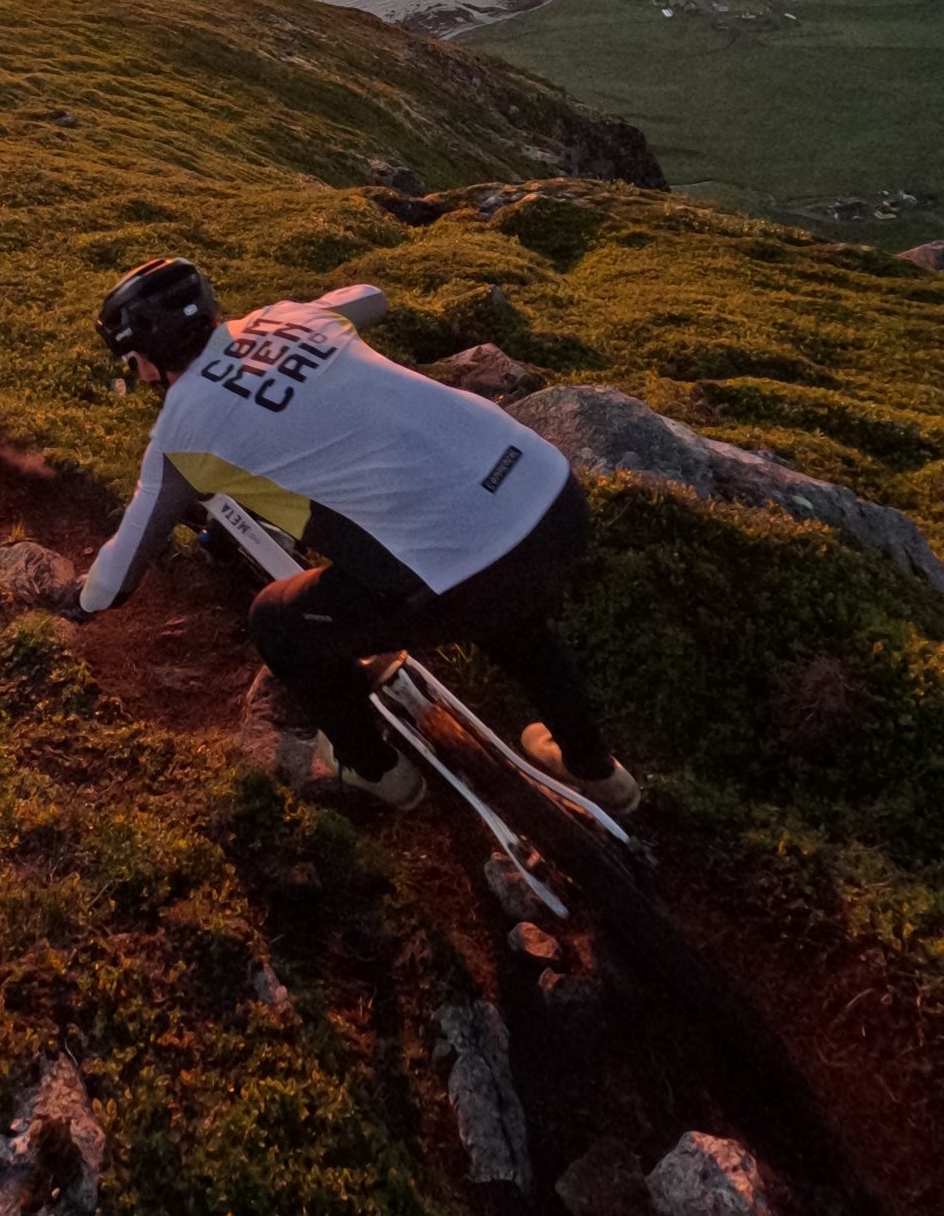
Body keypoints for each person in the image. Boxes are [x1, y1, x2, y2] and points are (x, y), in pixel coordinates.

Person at [77, 256, 637, 814]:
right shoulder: (291, 316)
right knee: (514, 615)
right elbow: (372, 296)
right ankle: (597, 771)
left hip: (465, 564)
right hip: (550, 492)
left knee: (277, 621)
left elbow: (117, 579)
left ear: (147, 362)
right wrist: (291, 324)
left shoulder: (178, 433)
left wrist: (80, 602)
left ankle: (374, 771)